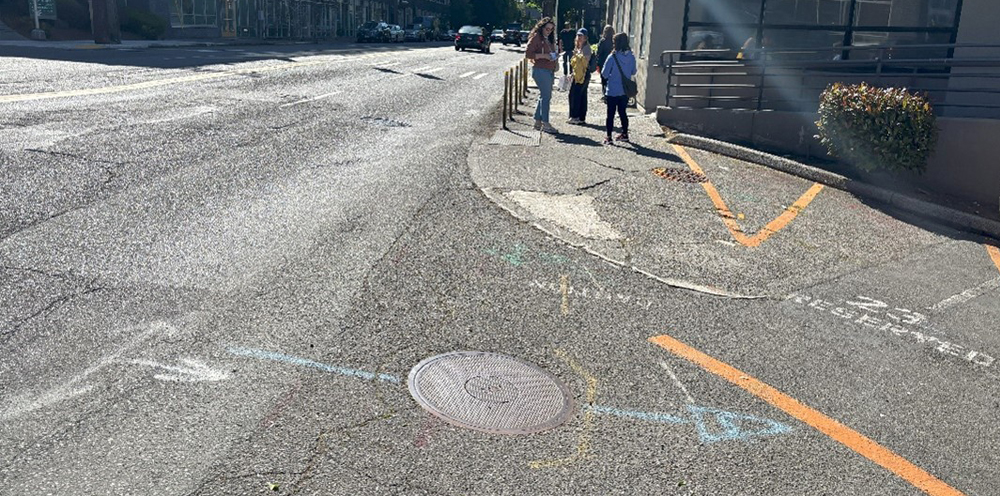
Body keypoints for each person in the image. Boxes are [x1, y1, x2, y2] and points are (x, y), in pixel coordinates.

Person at [601, 32, 636, 144]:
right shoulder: (631, 56)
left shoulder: (612, 57)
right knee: (622, 113)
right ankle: (625, 134)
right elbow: (633, 71)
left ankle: (609, 136)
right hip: (624, 91)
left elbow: (604, 73)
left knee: (610, 114)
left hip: (612, 90)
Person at [526, 17, 560, 133]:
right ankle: (545, 123)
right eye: (547, 28)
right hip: (541, 70)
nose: (549, 31)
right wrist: (544, 56)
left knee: (543, 96)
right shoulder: (536, 37)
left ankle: (537, 121)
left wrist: (555, 55)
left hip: (548, 70)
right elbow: (528, 54)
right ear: (541, 27)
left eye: (551, 29)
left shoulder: (547, 39)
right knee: (546, 97)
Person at [567, 28, 592, 124]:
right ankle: (580, 117)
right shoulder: (577, 47)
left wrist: (578, 56)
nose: (579, 38)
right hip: (577, 74)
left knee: (575, 95)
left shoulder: (586, 48)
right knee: (579, 95)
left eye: (581, 36)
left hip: (583, 74)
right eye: (578, 35)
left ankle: (575, 116)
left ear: (586, 38)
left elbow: (585, 61)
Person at [596, 25, 615, 102]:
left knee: (604, 79)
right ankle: (610, 94)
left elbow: (599, 52)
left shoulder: (603, 41)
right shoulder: (614, 41)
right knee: (611, 79)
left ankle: (605, 94)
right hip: (613, 62)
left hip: (603, 62)